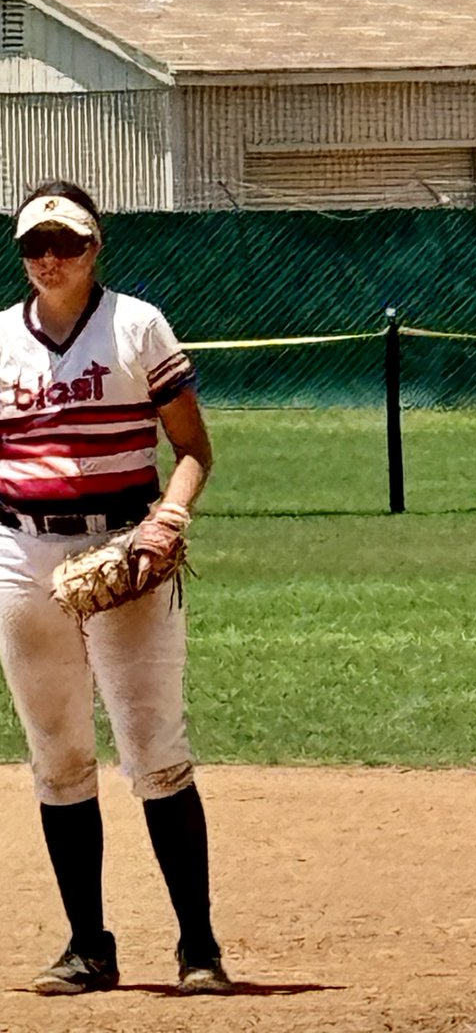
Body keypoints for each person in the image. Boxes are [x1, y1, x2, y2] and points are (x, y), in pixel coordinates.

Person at [0, 180, 231, 995]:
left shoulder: (136, 325)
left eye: (66, 242)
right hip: (23, 554)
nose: (49, 258)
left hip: (125, 549)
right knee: (57, 755)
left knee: (154, 748)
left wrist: (167, 520)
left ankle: (198, 948)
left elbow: (194, 447)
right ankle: (87, 947)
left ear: (96, 246)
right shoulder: (0, 340)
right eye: (34, 245)